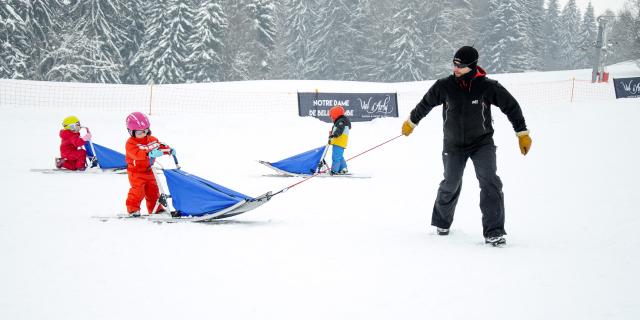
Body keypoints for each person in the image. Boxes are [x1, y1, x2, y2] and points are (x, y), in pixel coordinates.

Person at [401, 46, 532, 247]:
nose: (455, 68)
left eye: (459, 65)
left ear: (471, 66)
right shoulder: (444, 86)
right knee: (450, 182)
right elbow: (425, 103)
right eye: (454, 64)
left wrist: (522, 133)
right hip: (453, 144)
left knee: (490, 182)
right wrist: (412, 122)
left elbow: (511, 107)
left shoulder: (488, 87)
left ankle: (494, 231)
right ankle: (442, 222)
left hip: (482, 143)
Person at [124, 111, 174, 216]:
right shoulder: (130, 144)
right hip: (136, 173)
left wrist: (168, 150)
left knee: (153, 191)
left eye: (146, 130)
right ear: (130, 132)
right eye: (139, 132)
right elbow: (137, 154)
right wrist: (149, 153)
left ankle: (156, 209)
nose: (143, 134)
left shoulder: (152, 139)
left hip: (150, 171)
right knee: (138, 192)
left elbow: (159, 146)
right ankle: (133, 210)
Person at [328, 105, 351, 175]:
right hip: (339, 142)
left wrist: (335, 134)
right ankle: (343, 168)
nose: (331, 118)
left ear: (335, 114)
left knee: (335, 157)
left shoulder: (341, 121)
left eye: (331, 116)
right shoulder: (341, 121)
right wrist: (331, 135)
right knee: (339, 156)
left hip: (339, 142)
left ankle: (335, 170)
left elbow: (339, 129)